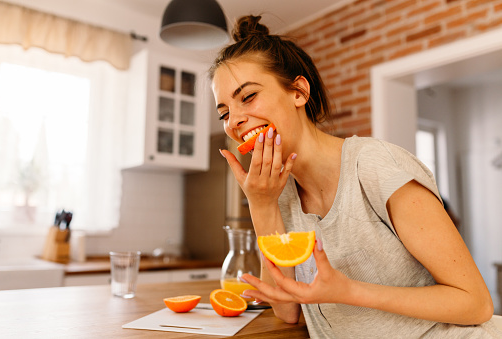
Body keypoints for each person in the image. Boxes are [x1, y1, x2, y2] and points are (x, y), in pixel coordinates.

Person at [211, 15, 500, 338]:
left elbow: (475, 303)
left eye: (248, 97)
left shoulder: (375, 166)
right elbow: (286, 309)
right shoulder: (281, 193)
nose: (234, 121)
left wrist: (347, 291)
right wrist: (261, 204)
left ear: (298, 92)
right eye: (223, 112)